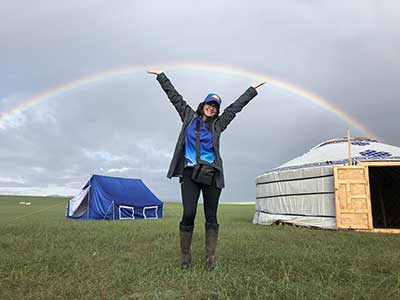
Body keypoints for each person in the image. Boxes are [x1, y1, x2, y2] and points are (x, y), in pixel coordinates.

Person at [147, 70, 265, 270]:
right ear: (203, 105)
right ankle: (186, 258)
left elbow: (235, 108)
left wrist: (252, 90)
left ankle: (210, 259)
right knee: (189, 213)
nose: (212, 108)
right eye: (210, 104)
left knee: (211, 216)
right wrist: (161, 76)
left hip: (211, 175)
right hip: (190, 173)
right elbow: (174, 96)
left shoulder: (219, 124)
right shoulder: (188, 116)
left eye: (215, 106)